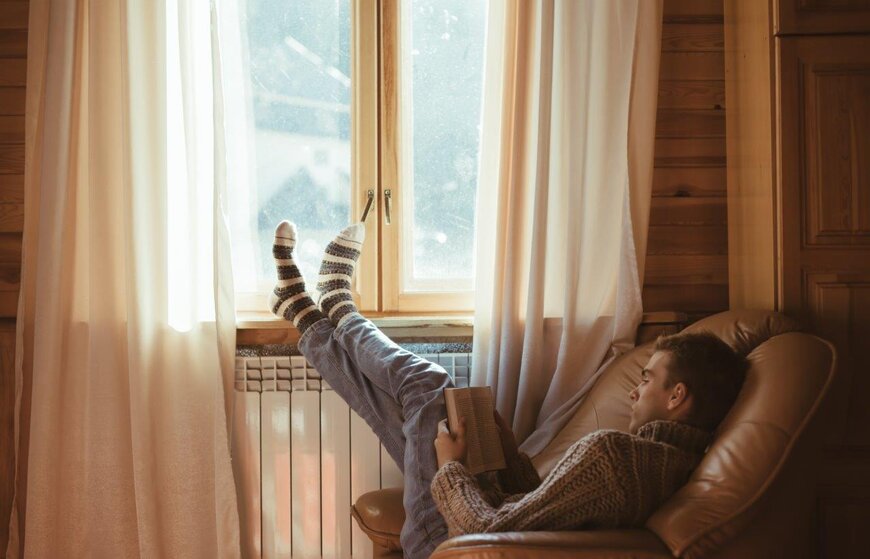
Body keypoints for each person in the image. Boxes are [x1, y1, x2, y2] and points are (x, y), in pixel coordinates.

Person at [268, 220, 749, 559]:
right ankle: (304, 314)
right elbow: (543, 511)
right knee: (413, 413)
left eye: (647, 380)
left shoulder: (618, 457)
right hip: (472, 533)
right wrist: (505, 448)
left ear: (677, 396)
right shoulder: (667, 466)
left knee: (426, 383)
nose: (634, 391)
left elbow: (488, 531)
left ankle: (337, 307)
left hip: (453, 544)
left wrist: (454, 468)